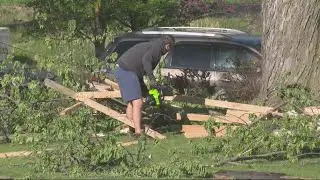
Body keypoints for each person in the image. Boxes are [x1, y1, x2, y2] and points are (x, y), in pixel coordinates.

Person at [114, 35, 175, 137]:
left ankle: (131, 128)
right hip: (127, 71)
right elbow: (146, 60)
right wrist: (151, 78)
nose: (169, 52)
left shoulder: (155, 46)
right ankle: (138, 132)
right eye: (170, 49)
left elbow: (141, 69)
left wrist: (144, 88)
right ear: (168, 46)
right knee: (138, 102)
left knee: (132, 101)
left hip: (126, 70)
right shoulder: (156, 49)